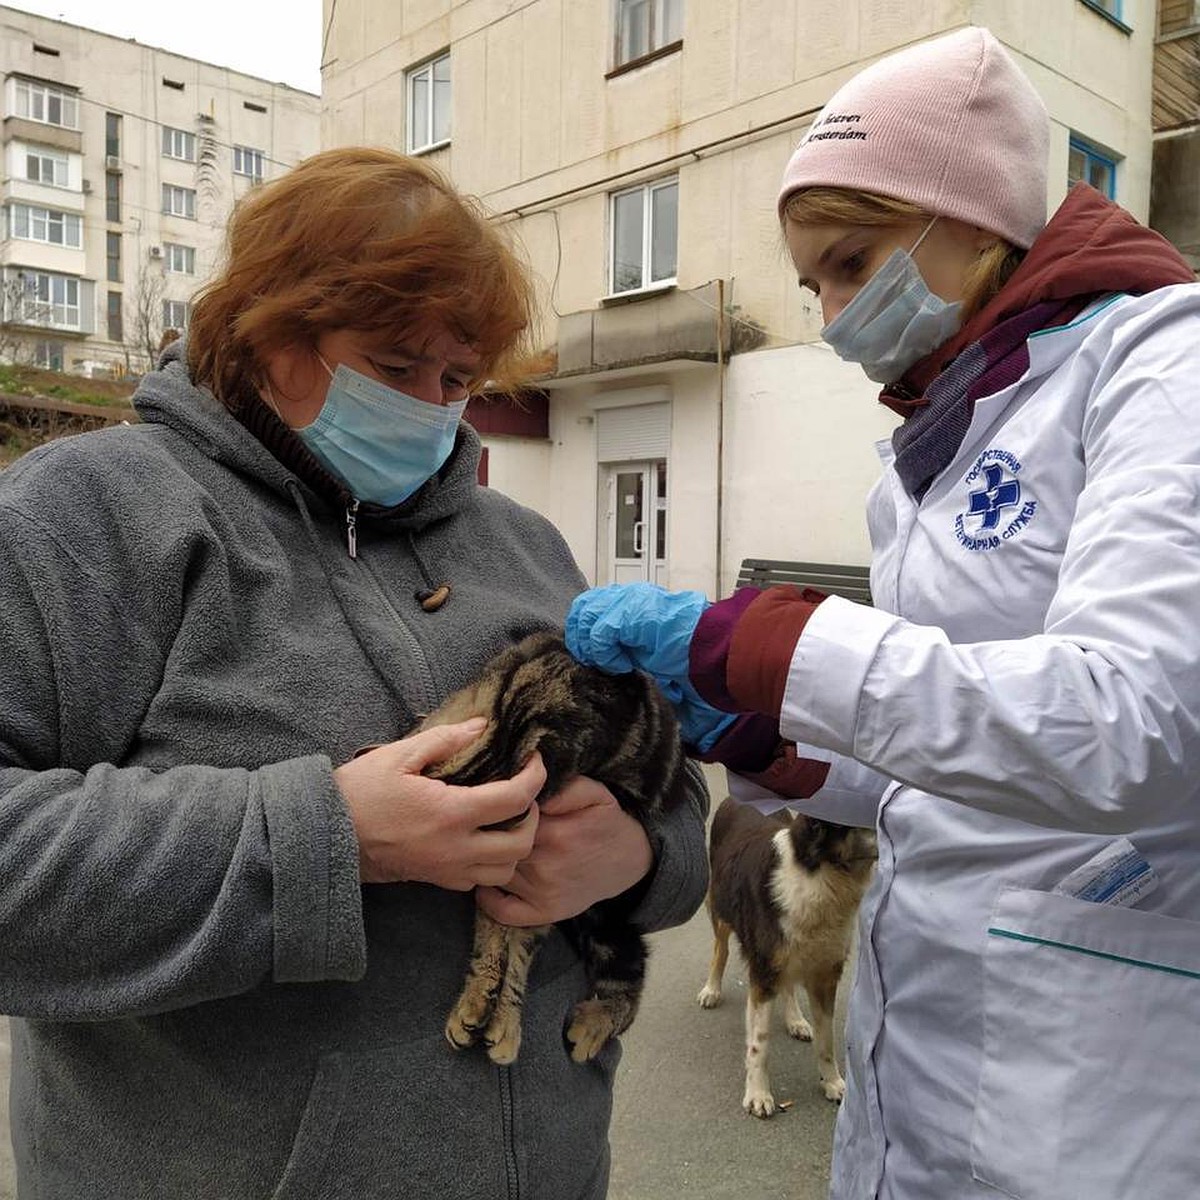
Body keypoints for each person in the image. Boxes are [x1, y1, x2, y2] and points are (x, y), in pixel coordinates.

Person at [0, 147, 709, 1200]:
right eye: (393, 364)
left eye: (457, 379)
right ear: (267, 331)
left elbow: (669, 775)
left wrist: (641, 855)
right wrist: (327, 841)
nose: (431, 407)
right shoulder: (85, 519)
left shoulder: (523, 545)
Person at [565, 27, 1200, 1200]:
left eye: (852, 264)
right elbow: (957, 746)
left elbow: (1137, 723)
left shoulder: (1165, 368)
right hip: (927, 1044)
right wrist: (773, 740)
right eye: (813, 283)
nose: (830, 313)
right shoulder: (936, 436)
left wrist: (763, 641)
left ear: (976, 219)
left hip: (1098, 1057)